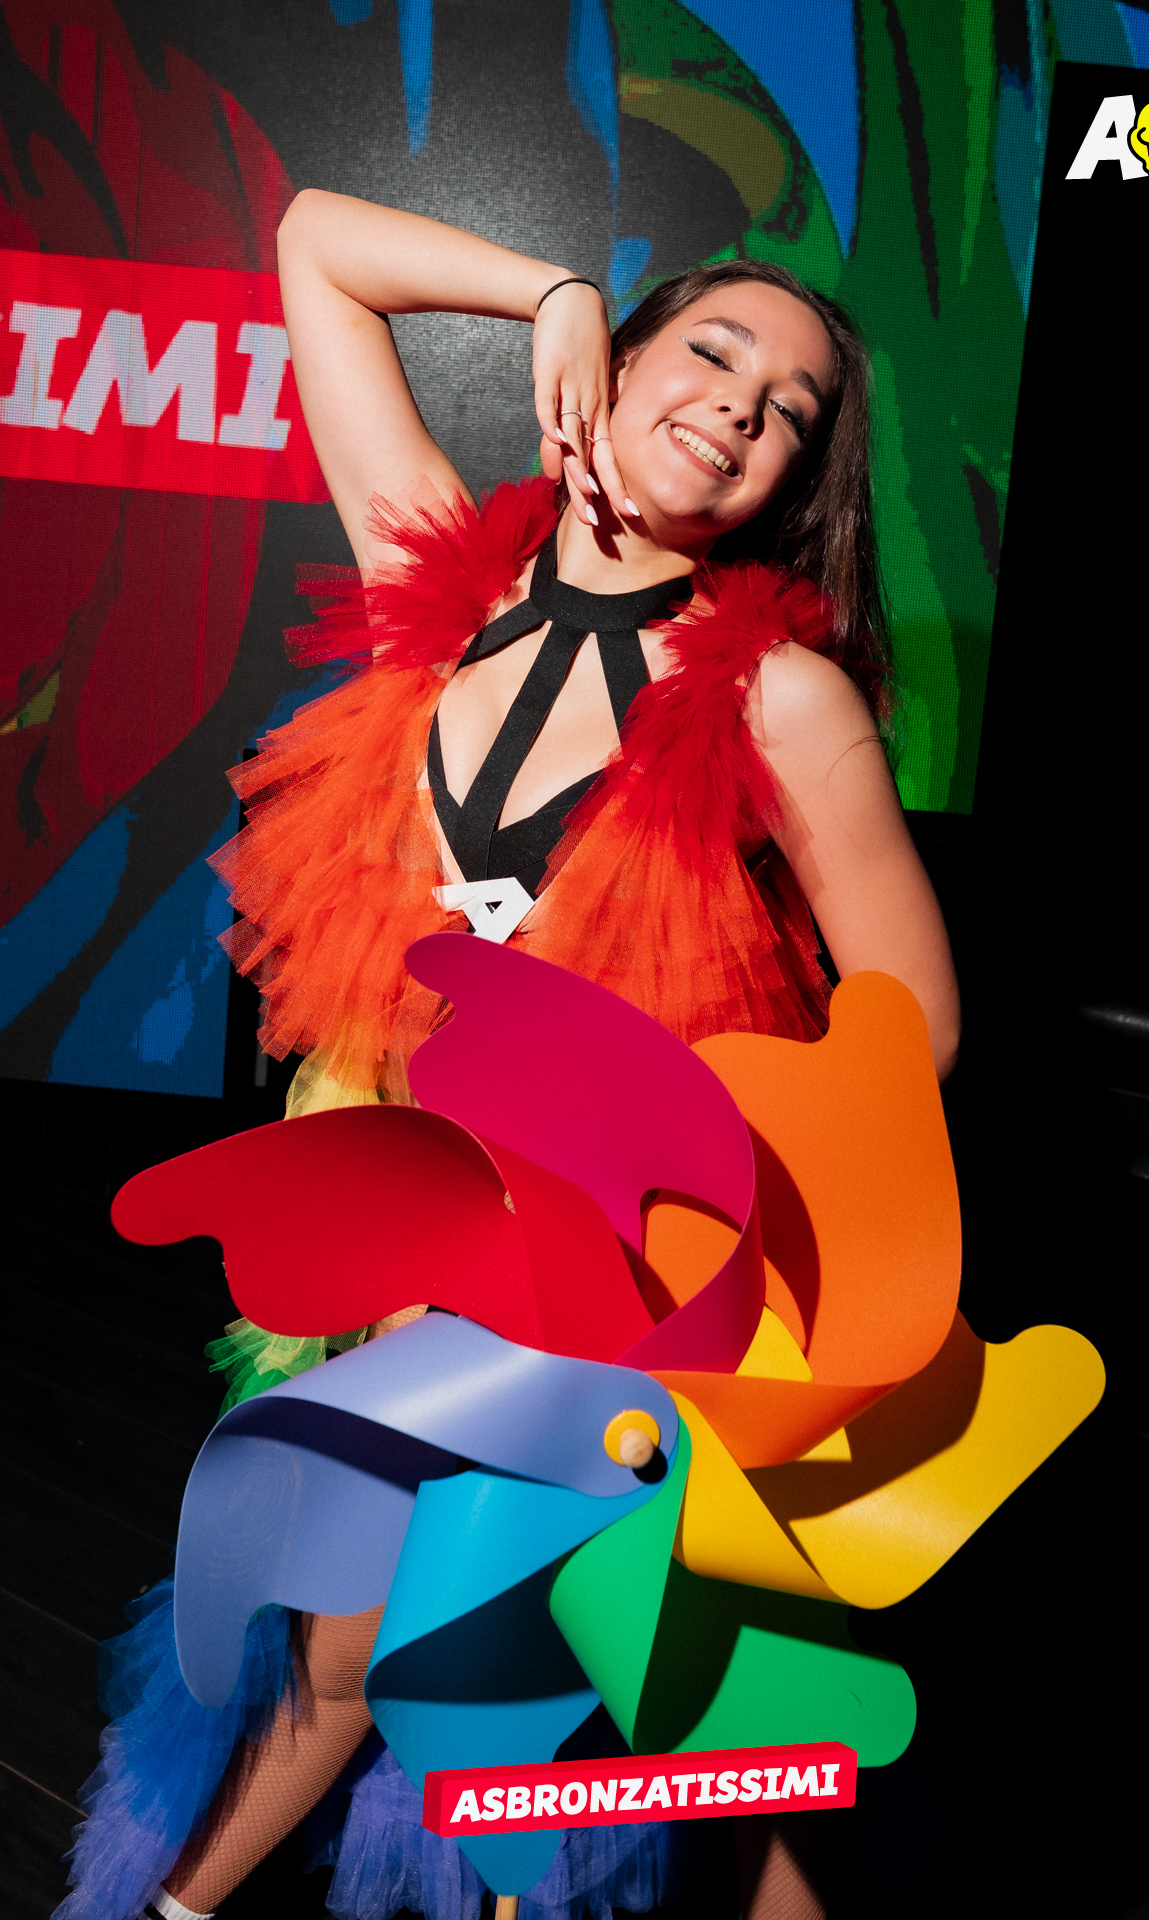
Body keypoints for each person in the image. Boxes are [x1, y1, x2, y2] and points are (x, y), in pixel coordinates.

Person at [59, 193, 959, 1920]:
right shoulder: (436, 575)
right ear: (614, 364)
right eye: (714, 352)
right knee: (355, 1640)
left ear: (794, 483)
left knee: (651, 1681)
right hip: (387, 1210)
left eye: (790, 410)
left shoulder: (781, 698)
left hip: (612, 1262)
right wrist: (551, 289)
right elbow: (317, 247)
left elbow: (916, 1013)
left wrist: (636, 1187)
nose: (744, 405)